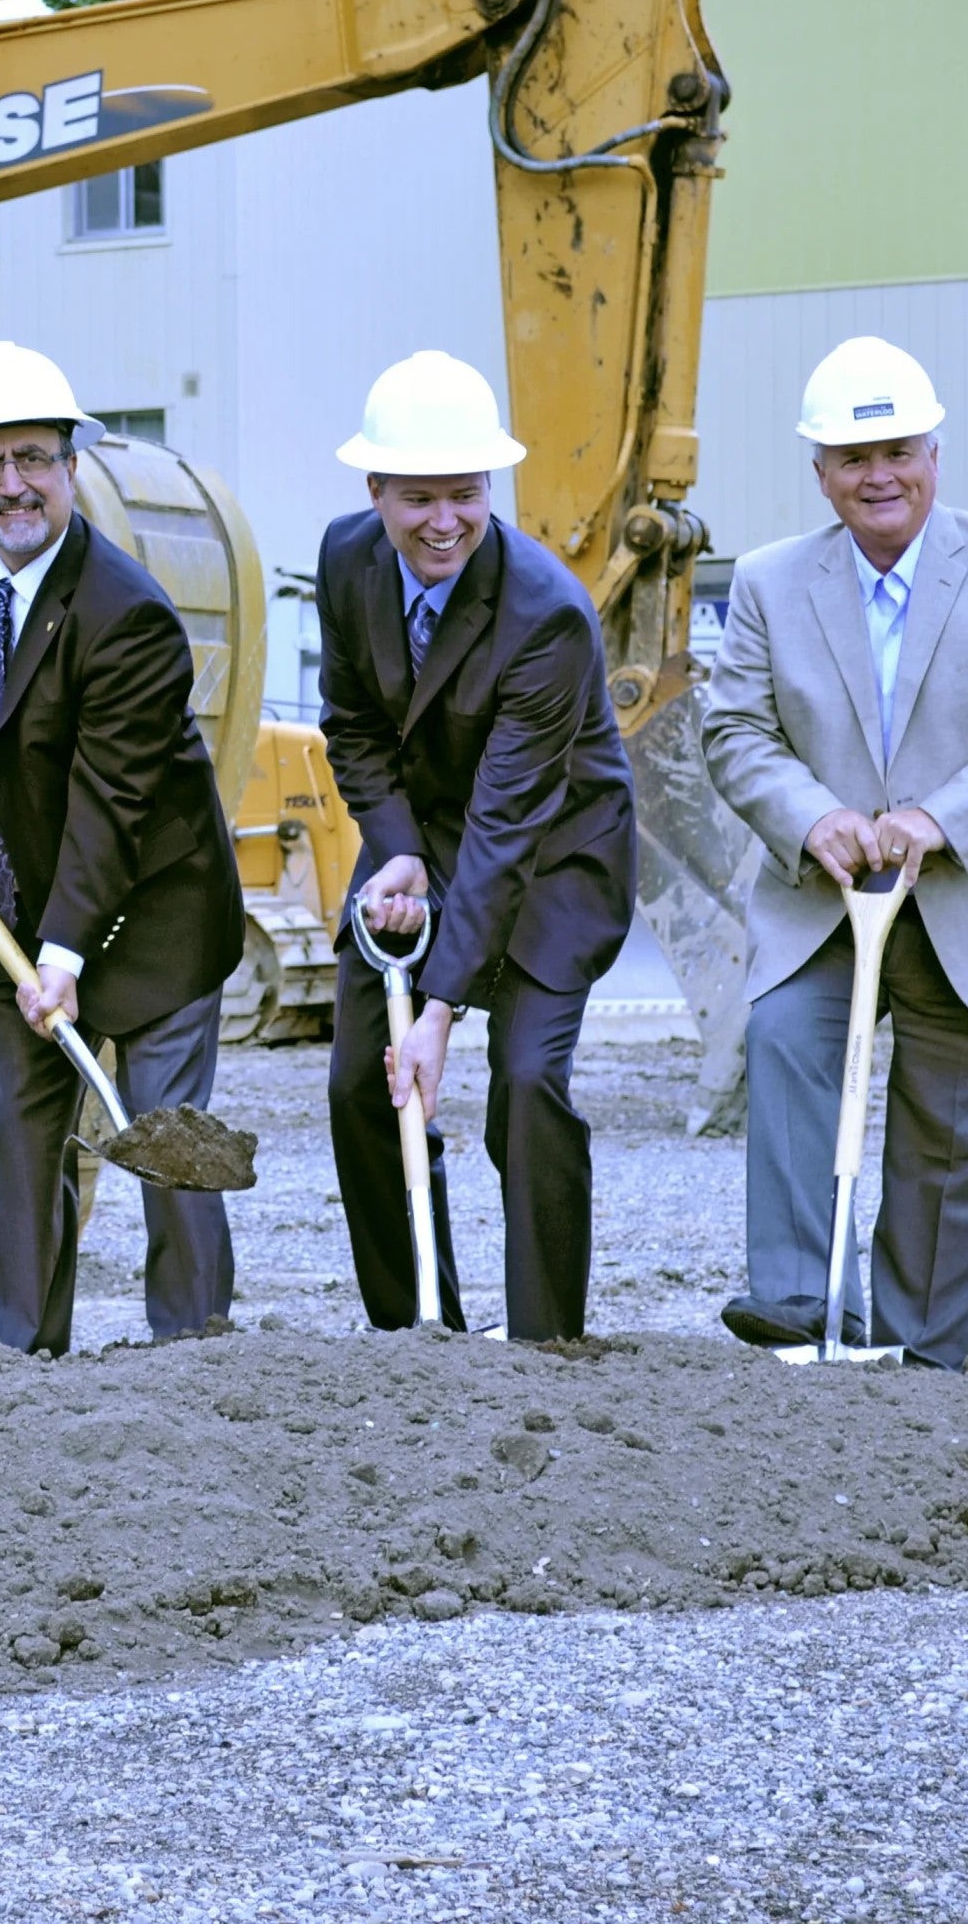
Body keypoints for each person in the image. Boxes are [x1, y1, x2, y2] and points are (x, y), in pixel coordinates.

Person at [702, 336, 968, 1369]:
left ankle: (929, 1354)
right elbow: (736, 731)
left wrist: (939, 818)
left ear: (935, 453)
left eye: (899, 451)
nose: (879, 475)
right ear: (820, 472)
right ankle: (798, 1300)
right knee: (787, 1039)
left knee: (956, 1132)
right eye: (851, 457)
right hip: (825, 894)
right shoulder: (769, 582)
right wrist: (810, 815)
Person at [0, 341, 245, 1356]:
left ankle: (194, 1348)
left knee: (168, 1141)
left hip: (154, 915)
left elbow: (112, 802)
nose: (13, 486)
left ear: (72, 465)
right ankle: (20, 1353)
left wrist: (66, 955)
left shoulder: (125, 614)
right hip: (14, 910)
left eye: (33, 459)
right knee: (23, 1138)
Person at [316, 350, 637, 1343]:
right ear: (376, 492)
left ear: (489, 486)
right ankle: (415, 1331)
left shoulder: (547, 616)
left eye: (464, 494)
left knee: (528, 1084)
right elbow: (354, 726)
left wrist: (441, 1009)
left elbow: (507, 821)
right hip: (423, 840)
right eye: (418, 498)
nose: (444, 520)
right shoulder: (344, 559)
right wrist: (399, 853)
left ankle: (545, 1338)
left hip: (552, 850)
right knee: (357, 1083)